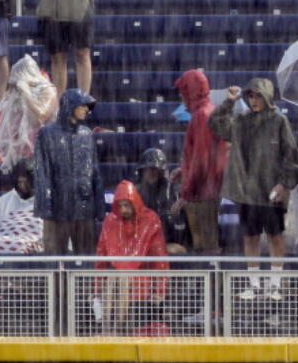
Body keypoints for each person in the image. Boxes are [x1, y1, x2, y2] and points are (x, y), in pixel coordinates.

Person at [210, 78, 298, 300]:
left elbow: (292, 156)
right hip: (247, 191)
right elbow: (216, 125)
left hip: (272, 191)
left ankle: (275, 285)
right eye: (251, 96)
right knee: (250, 237)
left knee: (274, 237)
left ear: (267, 96)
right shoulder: (242, 122)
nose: (254, 100)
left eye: (258, 95)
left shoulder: (280, 121)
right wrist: (228, 102)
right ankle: (254, 285)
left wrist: (284, 184)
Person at [34, 88, 103, 255]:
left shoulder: (87, 134)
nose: (87, 109)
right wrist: (46, 206)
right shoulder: (47, 133)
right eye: (83, 105)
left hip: (84, 206)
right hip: (57, 208)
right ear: (70, 106)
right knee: (55, 261)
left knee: (86, 261)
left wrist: (99, 206)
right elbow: (42, 171)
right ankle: (57, 282)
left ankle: (84, 282)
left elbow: (94, 171)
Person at [95, 180, 169, 334]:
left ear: (134, 202)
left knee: (122, 279)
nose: (123, 210)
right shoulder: (110, 221)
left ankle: (116, 329)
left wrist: (160, 290)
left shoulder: (151, 220)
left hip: (141, 277)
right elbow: (101, 253)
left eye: (126, 205)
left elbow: (159, 257)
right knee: (114, 279)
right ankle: (108, 329)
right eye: (120, 206)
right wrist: (96, 289)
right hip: (117, 279)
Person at [174, 69, 229, 255]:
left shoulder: (201, 115)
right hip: (208, 188)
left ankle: (212, 284)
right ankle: (212, 282)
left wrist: (186, 193)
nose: (181, 97)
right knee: (207, 243)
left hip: (202, 193)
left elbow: (201, 160)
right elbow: (202, 155)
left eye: (183, 92)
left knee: (205, 245)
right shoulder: (208, 111)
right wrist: (184, 170)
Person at [0, 55, 57, 174]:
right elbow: (8, 125)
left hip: (42, 147)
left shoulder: (47, 90)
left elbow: (42, 116)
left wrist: (26, 93)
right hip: (20, 150)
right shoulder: (16, 93)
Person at [133, 148, 187, 255]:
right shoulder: (135, 192)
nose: (151, 172)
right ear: (142, 170)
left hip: (167, 241)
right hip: (141, 242)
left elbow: (180, 227)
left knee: (174, 250)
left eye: (155, 169)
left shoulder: (174, 192)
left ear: (161, 171)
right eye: (148, 168)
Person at [0, 159, 42, 255]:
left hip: (37, 258)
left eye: (27, 182)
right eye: (19, 182)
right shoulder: (3, 201)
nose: (23, 186)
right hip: (5, 258)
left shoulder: (46, 200)